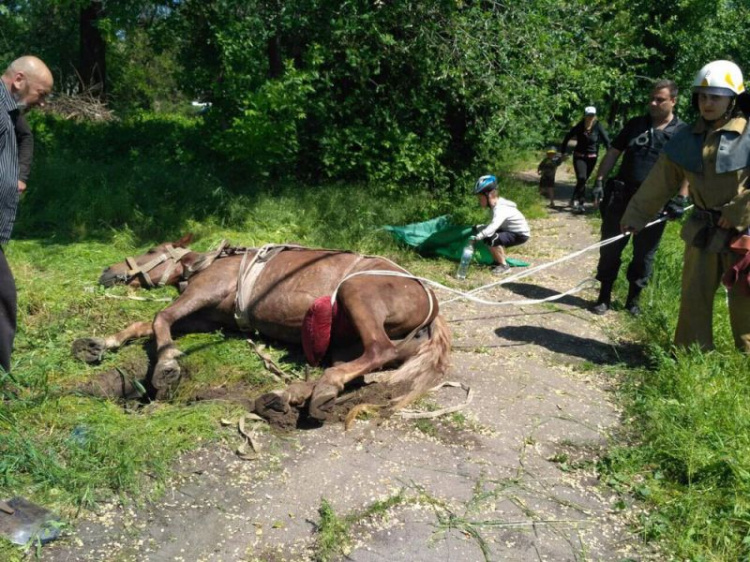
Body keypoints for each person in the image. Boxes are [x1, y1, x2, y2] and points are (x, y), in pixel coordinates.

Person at [621, 60, 750, 352]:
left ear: (733, 99)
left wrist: (736, 212)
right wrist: (636, 215)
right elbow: (661, 180)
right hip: (703, 230)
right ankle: (691, 356)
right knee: (694, 298)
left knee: (746, 300)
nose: (707, 103)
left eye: (715, 96)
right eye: (703, 96)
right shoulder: (687, 138)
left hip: (744, 233)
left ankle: (746, 362)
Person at [590, 79, 689, 316]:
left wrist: (681, 198)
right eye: (651, 99)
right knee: (611, 248)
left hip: (655, 204)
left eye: (660, 99)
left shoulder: (683, 133)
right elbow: (614, 152)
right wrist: (600, 181)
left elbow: (690, 167)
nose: (653, 103)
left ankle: (633, 301)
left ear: (673, 101)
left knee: (644, 255)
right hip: (622, 197)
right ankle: (604, 296)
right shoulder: (635, 125)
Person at [0, 56, 53, 373]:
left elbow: (25, 137)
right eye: (41, 93)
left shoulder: (10, 110)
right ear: (19, 79)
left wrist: (18, 176)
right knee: (3, 298)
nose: (43, 103)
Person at [472, 175, 530, 275]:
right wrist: (480, 228)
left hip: (520, 234)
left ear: (489, 195)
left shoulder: (500, 209)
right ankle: (497, 262)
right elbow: (494, 225)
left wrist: (477, 237)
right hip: (510, 230)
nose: (479, 200)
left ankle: (504, 266)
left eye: (480, 197)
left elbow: (493, 226)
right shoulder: (494, 207)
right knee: (489, 236)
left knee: (492, 238)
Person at [560, 106, 611, 213]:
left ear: (595, 115)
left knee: (582, 180)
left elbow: (607, 141)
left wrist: (610, 153)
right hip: (579, 156)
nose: (590, 117)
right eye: (588, 115)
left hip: (592, 158)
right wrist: (563, 152)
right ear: (585, 115)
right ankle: (581, 203)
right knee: (582, 178)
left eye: (592, 115)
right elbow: (567, 137)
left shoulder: (598, 126)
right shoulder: (579, 126)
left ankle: (573, 199)